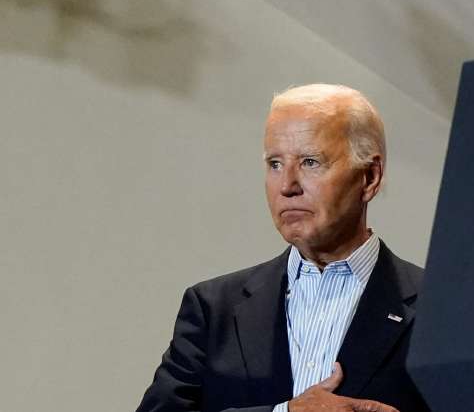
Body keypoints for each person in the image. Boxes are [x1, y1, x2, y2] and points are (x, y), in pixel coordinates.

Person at [137, 84, 427, 412]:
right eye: (275, 164)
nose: (287, 185)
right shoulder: (213, 309)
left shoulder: (439, 310)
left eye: (310, 162)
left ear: (369, 177)